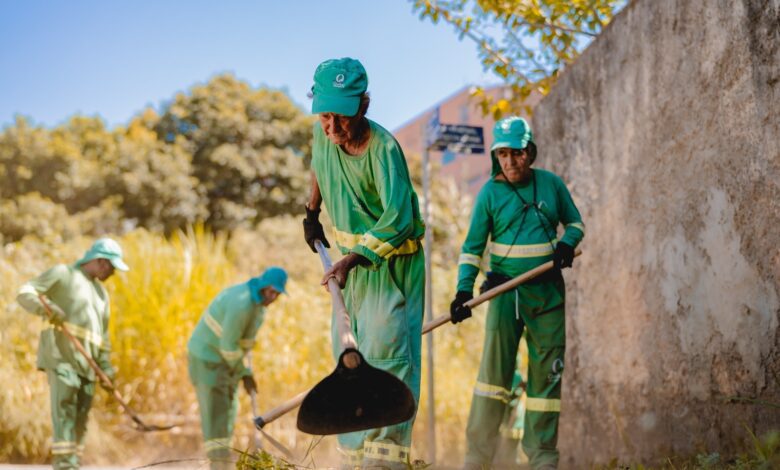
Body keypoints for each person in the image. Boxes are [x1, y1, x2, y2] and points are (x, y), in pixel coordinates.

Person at [302, 57, 426, 469]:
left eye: (343, 116)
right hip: (351, 270)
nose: (332, 127)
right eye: (325, 115)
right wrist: (311, 211)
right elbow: (320, 162)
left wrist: (350, 261)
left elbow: (399, 221)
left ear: (364, 107)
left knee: (388, 357)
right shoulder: (324, 135)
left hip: (390, 268)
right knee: (351, 358)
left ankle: (385, 463)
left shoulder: (385, 150)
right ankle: (353, 462)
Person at [450, 116, 584, 470]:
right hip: (505, 297)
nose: (511, 162)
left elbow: (576, 223)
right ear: (497, 156)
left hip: (548, 297)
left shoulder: (552, 185)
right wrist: (463, 291)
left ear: (531, 152)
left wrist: (566, 245)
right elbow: (472, 249)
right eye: (504, 154)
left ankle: (542, 459)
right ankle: (477, 460)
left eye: (518, 153)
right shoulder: (490, 193)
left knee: (546, 379)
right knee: (492, 382)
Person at [16, 238, 129, 470]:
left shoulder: (102, 295)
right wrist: (45, 308)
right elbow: (25, 292)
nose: (114, 273)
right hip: (61, 358)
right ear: (100, 262)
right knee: (65, 413)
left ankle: (73, 464)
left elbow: (103, 338)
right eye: (112, 267)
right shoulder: (63, 274)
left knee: (81, 421)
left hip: (87, 367)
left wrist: (106, 368)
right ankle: (65, 466)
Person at [187, 267, 288, 470]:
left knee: (229, 413)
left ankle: (224, 463)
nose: (273, 297)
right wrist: (244, 373)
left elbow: (242, 344)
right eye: (271, 291)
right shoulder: (241, 303)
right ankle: (219, 465)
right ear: (263, 286)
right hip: (207, 360)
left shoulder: (258, 306)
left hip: (226, 362)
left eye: (277, 293)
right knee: (216, 416)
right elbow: (228, 346)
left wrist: (245, 372)